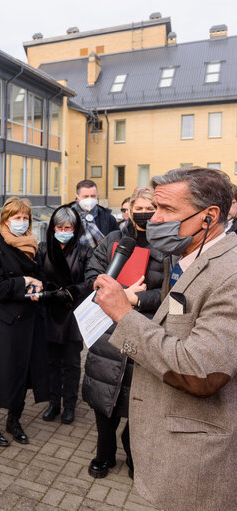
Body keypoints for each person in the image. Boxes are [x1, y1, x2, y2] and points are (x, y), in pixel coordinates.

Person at [93, 167, 237, 511]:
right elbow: (177, 317)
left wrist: (123, 317)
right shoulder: (188, 257)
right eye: (153, 208)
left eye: (167, 210)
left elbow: (202, 371)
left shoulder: (228, 273)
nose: (153, 220)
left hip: (198, 467)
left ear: (209, 217)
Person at [82, 187, 163, 479]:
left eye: (151, 206)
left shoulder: (168, 246)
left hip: (146, 331)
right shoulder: (113, 240)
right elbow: (92, 274)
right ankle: (104, 455)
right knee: (105, 400)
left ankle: (133, 455)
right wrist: (115, 292)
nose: (145, 212)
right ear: (128, 210)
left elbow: (170, 292)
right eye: (139, 207)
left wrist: (137, 299)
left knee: (138, 402)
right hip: (108, 333)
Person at [0, 197, 48, 447]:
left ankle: (14, 420)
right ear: (5, 220)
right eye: (16, 218)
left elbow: (40, 278)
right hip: (6, 321)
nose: (21, 222)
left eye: (25, 218)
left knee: (25, 370)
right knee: (2, 372)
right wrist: (25, 282)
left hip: (31, 317)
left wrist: (39, 284)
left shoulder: (32, 246)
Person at [37, 205, 92, 425]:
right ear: (52, 228)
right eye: (59, 227)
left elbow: (90, 281)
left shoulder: (85, 251)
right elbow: (37, 276)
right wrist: (49, 291)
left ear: (75, 228)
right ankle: (53, 403)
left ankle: (69, 405)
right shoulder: (43, 249)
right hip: (50, 311)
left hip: (73, 313)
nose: (63, 231)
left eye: (67, 227)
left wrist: (71, 291)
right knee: (52, 362)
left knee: (71, 363)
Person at [70, 179, 119, 252]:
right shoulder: (66, 216)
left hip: (101, 260)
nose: (89, 199)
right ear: (77, 197)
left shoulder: (108, 218)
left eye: (93, 196)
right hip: (74, 260)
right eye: (85, 196)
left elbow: (117, 242)